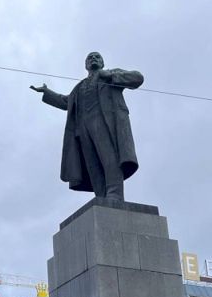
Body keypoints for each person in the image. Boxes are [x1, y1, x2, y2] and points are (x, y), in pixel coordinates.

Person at [31, 52, 143, 201]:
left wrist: (110, 75)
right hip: (82, 129)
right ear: (86, 65)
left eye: (97, 57)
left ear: (102, 63)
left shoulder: (109, 75)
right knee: (92, 164)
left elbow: (138, 78)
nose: (93, 59)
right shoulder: (79, 87)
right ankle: (101, 196)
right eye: (90, 57)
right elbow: (66, 102)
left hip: (105, 122)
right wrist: (47, 92)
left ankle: (115, 193)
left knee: (109, 158)